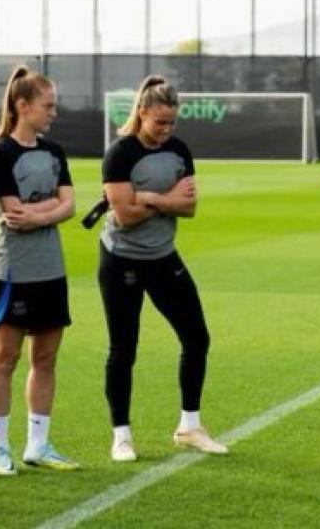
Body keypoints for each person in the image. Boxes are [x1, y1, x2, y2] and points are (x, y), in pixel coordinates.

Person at [99, 75, 225, 462]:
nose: (166, 130)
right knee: (124, 348)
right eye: (159, 122)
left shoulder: (179, 151)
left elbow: (189, 207)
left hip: (162, 256)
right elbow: (124, 214)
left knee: (197, 338)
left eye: (172, 122)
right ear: (142, 113)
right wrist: (162, 197)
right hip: (121, 260)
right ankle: (121, 435)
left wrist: (151, 197)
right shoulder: (120, 153)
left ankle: (190, 425)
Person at [0, 65, 79, 475]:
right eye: (48, 105)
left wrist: (40, 214)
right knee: (5, 359)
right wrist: (49, 210)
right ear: (22, 105)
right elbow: (11, 211)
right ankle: (0, 447)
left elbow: (69, 205)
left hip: (49, 269)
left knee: (47, 357)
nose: (54, 112)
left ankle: (38, 444)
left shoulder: (54, 151)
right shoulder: (0, 152)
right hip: (11, 271)